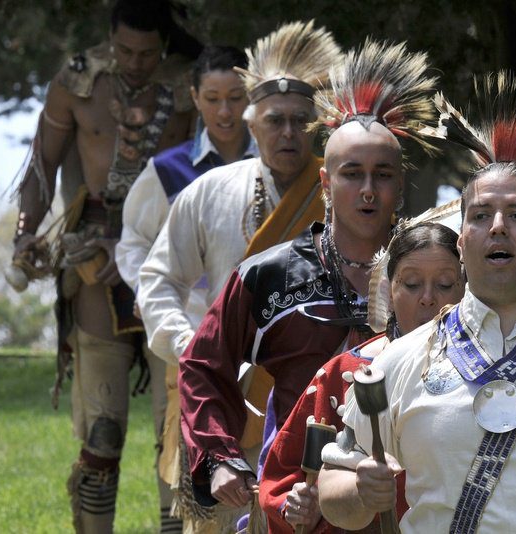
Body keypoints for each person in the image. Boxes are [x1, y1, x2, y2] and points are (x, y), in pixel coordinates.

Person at [318, 71, 516, 533]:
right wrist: (358, 493)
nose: (497, 227)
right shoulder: (404, 360)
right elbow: (336, 491)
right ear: (462, 242)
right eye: (481, 215)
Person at [174, 39, 438, 530]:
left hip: (416, 495)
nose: (366, 190)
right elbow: (202, 363)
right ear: (324, 182)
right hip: (296, 498)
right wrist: (217, 457)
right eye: (351, 174)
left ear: (400, 184)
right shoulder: (269, 276)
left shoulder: (437, 269)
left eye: (382, 175)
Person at [137, 20, 341, 532]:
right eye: (275, 121)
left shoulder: (346, 193)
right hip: (224, 398)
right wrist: (189, 344)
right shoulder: (210, 191)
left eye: (300, 121)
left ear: (317, 127)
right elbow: (159, 278)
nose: (288, 133)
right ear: (253, 127)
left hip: (316, 402)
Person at [8, 1, 201, 531]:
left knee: (176, 426)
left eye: (146, 53)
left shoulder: (190, 86)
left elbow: (208, 170)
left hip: (171, 260)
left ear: (163, 46)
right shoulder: (77, 81)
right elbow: (41, 166)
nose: (135, 63)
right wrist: (26, 233)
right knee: (103, 430)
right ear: (109, 39)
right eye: (124, 51)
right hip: (93, 263)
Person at [114, 44, 256, 533]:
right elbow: (133, 244)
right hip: (185, 337)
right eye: (212, 97)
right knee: (175, 444)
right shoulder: (170, 170)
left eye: (236, 97)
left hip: (259, 344)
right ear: (194, 98)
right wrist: (155, 299)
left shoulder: (287, 171)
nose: (225, 110)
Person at [260, 221, 465, 533]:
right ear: (388, 290)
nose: (428, 298)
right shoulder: (341, 375)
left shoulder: (488, 373)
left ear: (466, 288)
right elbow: (284, 474)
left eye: (445, 284)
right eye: (411, 284)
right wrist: (300, 502)